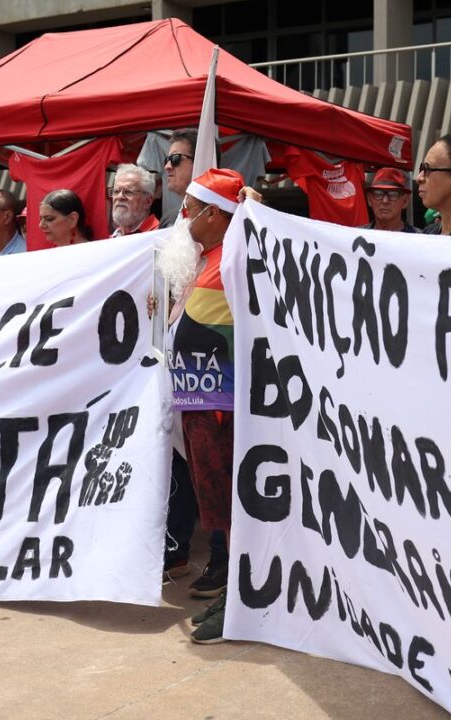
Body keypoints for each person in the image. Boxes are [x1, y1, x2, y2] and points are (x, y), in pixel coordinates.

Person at [159, 168, 262, 644]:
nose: (183, 217)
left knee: (232, 505)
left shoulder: (237, 256)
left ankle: (241, 599)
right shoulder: (206, 259)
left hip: (223, 406)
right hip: (198, 404)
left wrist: (258, 216)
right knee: (215, 507)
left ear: (215, 215)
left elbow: (269, 256)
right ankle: (234, 591)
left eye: (190, 209)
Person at [159, 129, 198, 229]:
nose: (167, 166)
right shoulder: (169, 220)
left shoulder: (226, 217)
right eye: (167, 160)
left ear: (199, 161)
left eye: (175, 158)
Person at [361, 167, 418, 232]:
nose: (385, 201)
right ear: (369, 200)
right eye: (378, 194)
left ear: (405, 201)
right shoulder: (356, 236)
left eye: (393, 195)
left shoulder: (421, 239)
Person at [109, 164, 159, 237]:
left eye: (128, 192)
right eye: (116, 191)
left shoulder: (160, 235)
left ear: (148, 201)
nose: (119, 197)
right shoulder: (109, 240)